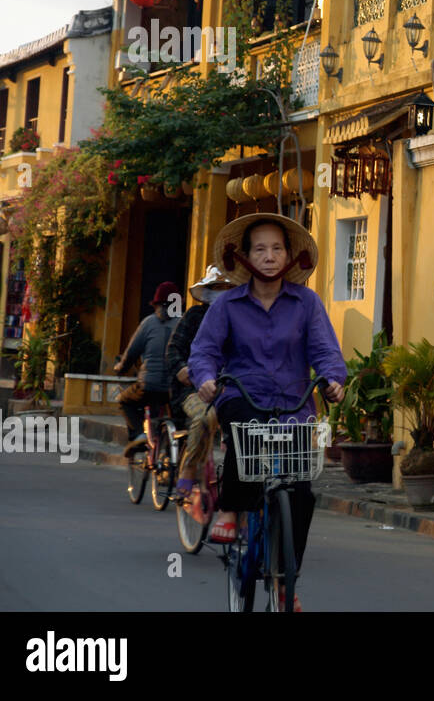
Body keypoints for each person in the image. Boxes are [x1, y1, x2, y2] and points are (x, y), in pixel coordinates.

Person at [188, 213, 344, 610]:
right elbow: (204, 351)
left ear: (291, 256)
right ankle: (230, 509)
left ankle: (286, 582)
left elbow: (325, 349)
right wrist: (205, 378)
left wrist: (332, 378)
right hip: (243, 395)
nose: (269, 256)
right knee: (246, 433)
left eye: (277, 248)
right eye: (260, 248)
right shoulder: (226, 306)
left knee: (303, 493)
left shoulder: (307, 303)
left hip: (293, 403)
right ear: (245, 257)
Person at [164, 265, 234, 500]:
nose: (223, 292)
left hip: (230, 389)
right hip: (191, 390)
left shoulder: (240, 320)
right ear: (209, 290)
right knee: (205, 416)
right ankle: (189, 466)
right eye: (218, 288)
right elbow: (173, 350)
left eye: (228, 288)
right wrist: (182, 368)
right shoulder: (194, 317)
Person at [116, 280, 180, 453]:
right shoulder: (183, 323)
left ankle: (138, 434)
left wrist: (120, 368)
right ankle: (178, 454)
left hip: (148, 386)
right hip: (174, 388)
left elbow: (131, 353)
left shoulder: (148, 323)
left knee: (123, 400)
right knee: (179, 419)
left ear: (156, 304)